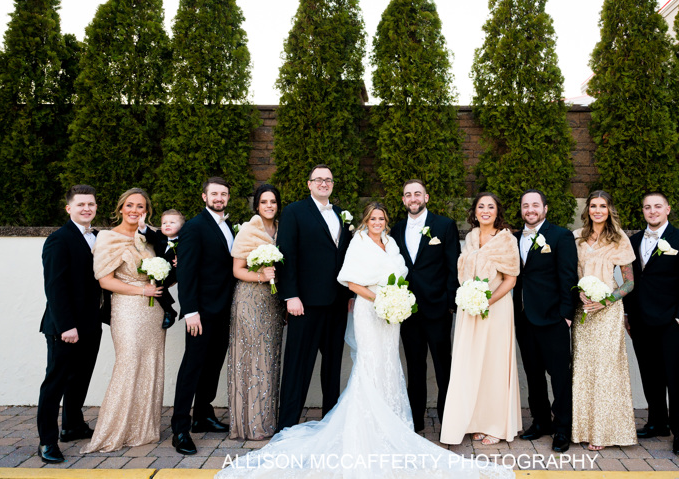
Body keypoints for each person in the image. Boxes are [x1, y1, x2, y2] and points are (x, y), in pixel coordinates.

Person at [215, 203, 513, 479]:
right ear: (366, 221)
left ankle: (392, 421)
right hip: (369, 311)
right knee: (370, 362)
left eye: (382, 219)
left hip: (391, 313)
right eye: (373, 218)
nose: (378, 222)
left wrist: (396, 298)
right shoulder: (358, 243)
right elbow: (352, 281)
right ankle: (366, 424)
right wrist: (381, 297)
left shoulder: (392, 243)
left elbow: (402, 273)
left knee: (389, 362)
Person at [82, 188, 165, 453]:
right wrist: (143, 290)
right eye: (129, 205)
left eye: (140, 207)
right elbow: (105, 280)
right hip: (127, 308)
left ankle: (141, 429)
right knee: (128, 363)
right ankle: (113, 430)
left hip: (153, 310)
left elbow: (168, 267)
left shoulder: (150, 238)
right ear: (120, 209)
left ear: (146, 211)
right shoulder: (107, 238)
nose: (134, 210)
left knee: (150, 364)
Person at [441, 193, 521, 446]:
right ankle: (475, 420)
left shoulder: (506, 238)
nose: (485, 210)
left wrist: (486, 301)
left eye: (491, 207)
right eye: (481, 206)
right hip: (469, 310)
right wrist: (469, 300)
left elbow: (511, 279)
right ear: (474, 212)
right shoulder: (471, 238)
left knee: (494, 365)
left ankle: (496, 425)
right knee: (470, 364)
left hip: (495, 309)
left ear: (498, 212)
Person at [277, 164, 353, 430]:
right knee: (298, 365)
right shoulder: (294, 211)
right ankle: (286, 425)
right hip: (305, 304)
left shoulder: (343, 215)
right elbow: (286, 254)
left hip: (337, 303)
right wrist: (290, 296)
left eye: (328, 179)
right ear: (309, 184)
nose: (324, 183)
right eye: (318, 179)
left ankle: (330, 422)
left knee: (332, 367)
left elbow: (346, 258)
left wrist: (351, 294)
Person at [627, 191, 679, 456]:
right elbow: (631, 281)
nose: (652, 211)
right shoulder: (633, 241)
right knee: (649, 374)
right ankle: (657, 422)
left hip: (671, 320)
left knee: (674, 377)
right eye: (647, 207)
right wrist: (627, 315)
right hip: (639, 318)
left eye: (657, 206)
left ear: (667, 209)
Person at [171, 178, 237, 455]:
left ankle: (202, 415)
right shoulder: (195, 228)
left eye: (223, 194)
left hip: (224, 309)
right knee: (192, 368)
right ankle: (180, 429)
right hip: (200, 312)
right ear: (204, 196)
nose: (219, 198)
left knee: (213, 365)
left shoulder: (230, 227)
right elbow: (186, 273)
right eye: (214, 194)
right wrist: (191, 312)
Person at [36, 185, 102, 464]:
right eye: (81, 204)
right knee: (55, 383)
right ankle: (48, 441)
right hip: (64, 327)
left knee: (81, 378)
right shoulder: (58, 240)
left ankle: (72, 425)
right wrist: (66, 326)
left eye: (91, 204)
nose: (86, 208)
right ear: (69, 208)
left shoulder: (98, 237)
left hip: (91, 323)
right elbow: (55, 287)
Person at [390, 179, 460, 432]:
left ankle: (448, 421)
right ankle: (415, 421)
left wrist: (450, 303)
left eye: (417, 194)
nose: (413, 198)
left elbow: (453, 266)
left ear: (426, 197)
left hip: (438, 309)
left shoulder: (444, 225)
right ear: (403, 200)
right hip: (408, 311)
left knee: (444, 368)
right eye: (408, 195)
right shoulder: (395, 230)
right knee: (415, 368)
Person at [571, 190, 637, 451]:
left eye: (603, 206)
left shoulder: (619, 239)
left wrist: (606, 300)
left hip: (608, 312)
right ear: (587, 209)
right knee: (584, 369)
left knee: (606, 372)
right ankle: (583, 430)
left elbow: (629, 282)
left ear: (610, 209)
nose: (597, 210)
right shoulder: (576, 237)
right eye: (593, 206)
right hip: (583, 310)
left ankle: (606, 433)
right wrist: (582, 296)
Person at [513, 189, 577, 453]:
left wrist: (566, 315)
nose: (530, 209)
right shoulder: (514, 238)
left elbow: (568, 276)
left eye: (535, 205)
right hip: (524, 317)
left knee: (560, 376)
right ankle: (541, 422)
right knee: (533, 373)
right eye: (525, 205)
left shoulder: (560, 236)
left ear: (545, 208)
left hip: (553, 318)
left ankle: (563, 428)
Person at [228, 184, 286, 440]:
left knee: (269, 359)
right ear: (257, 206)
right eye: (264, 202)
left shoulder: (281, 230)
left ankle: (267, 419)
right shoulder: (248, 231)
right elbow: (237, 270)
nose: (269, 206)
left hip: (273, 303)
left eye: (273, 201)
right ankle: (249, 424)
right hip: (250, 300)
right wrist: (261, 275)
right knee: (251, 360)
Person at [140, 209, 185, 329]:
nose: (167, 225)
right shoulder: (159, 235)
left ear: (182, 226)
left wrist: (181, 260)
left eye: (172, 222)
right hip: (160, 270)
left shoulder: (184, 241)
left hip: (175, 271)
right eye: (164, 223)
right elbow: (150, 235)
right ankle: (169, 310)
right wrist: (142, 226)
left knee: (160, 286)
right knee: (158, 287)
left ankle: (170, 310)